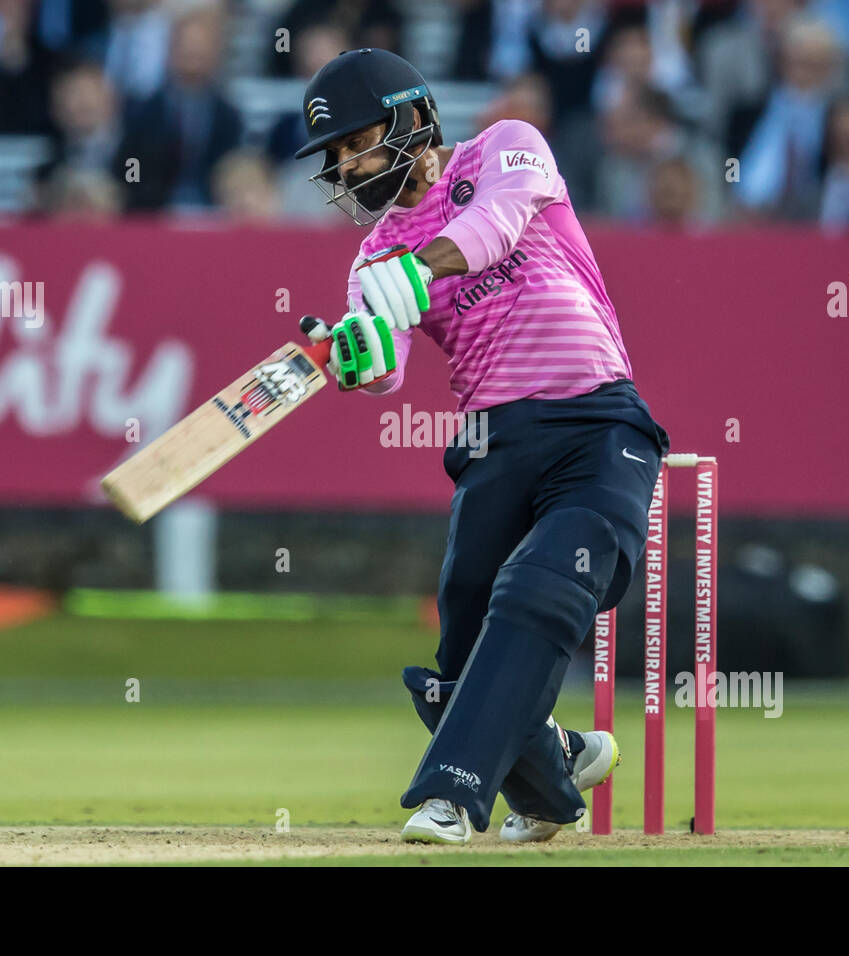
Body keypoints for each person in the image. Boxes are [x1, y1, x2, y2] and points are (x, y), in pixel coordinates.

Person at [291, 48, 669, 845]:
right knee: (462, 642)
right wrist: (358, 353)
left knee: (537, 590)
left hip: (599, 424)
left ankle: (453, 795)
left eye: (356, 143)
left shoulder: (506, 146)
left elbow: (493, 229)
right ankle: (555, 769)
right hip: (494, 442)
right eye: (336, 157)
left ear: (409, 118)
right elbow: (387, 366)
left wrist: (417, 273)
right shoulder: (372, 261)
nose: (346, 168)